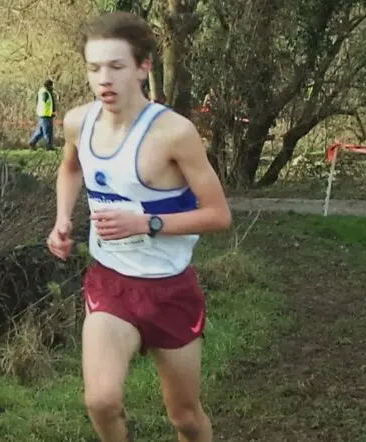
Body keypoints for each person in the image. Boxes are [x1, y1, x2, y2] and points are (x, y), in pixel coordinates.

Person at [45, 11, 232, 442]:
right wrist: (62, 219)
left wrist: (146, 223)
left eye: (116, 66)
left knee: (185, 417)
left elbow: (219, 215)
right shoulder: (78, 122)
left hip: (170, 290)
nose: (103, 80)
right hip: (111, 283)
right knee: (101, 401)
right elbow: (70, 168)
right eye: (94, 68)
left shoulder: (174, 133)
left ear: (143, 67)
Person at [29, 79, 56, 149]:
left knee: (40, 131)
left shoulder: (41, 91)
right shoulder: (45, 92)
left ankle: (32, 142)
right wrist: (52, 111)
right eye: (52, 86)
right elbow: (46, 101)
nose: (52, 87)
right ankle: (49, 146)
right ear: (49, 85)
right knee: (48, 130)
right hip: (46, 114)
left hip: (41, 114)